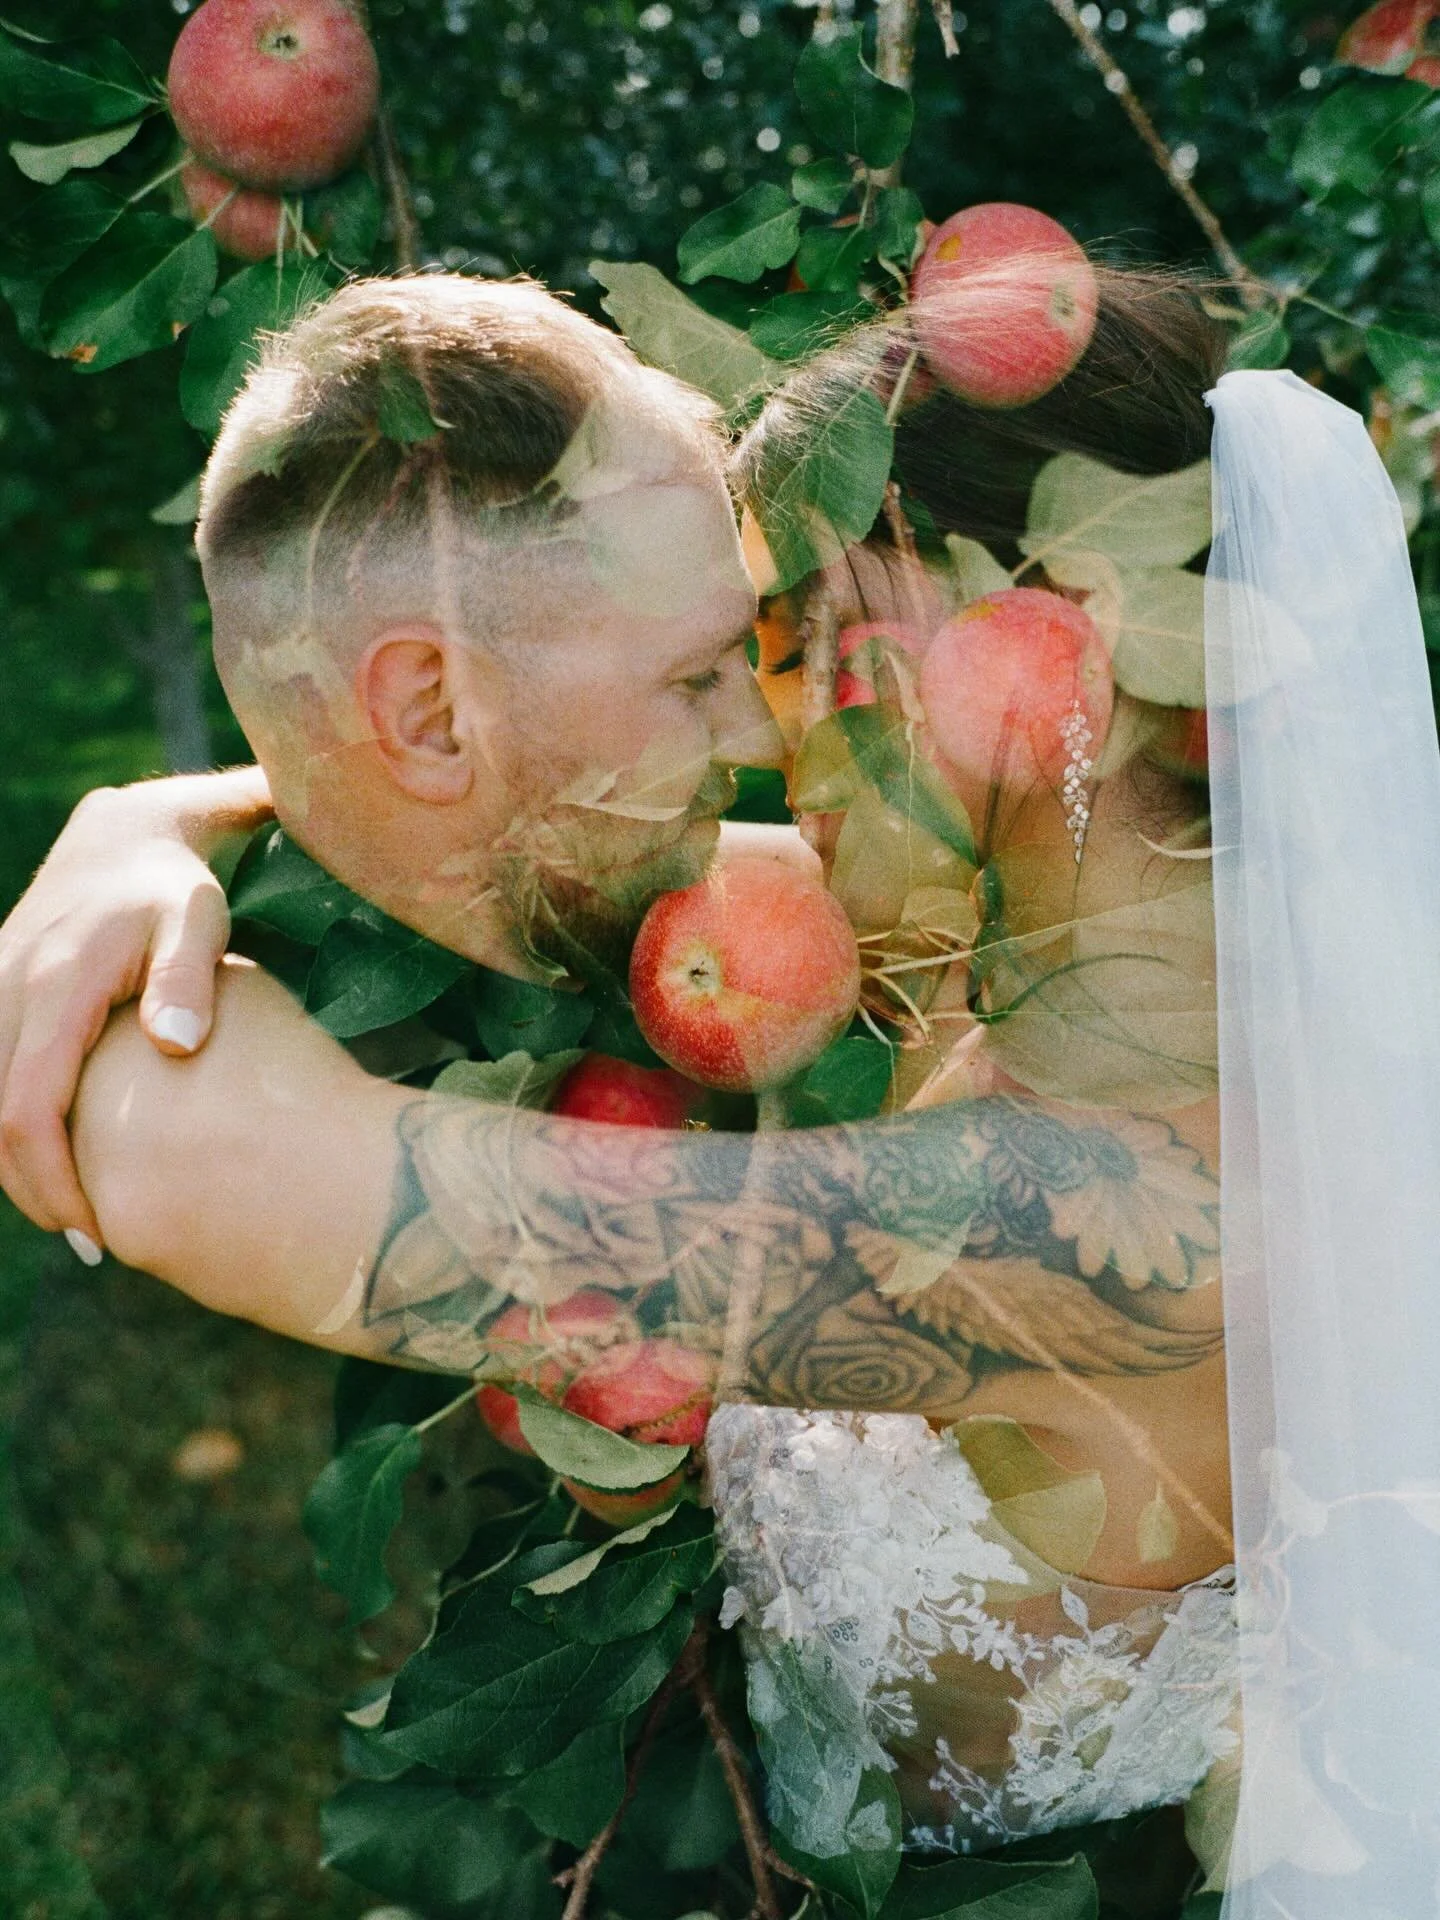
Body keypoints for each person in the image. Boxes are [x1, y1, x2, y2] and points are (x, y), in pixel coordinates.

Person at [17, 256, 1435, 1903]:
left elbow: (183, 1152)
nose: (769, 737)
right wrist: (146, 822)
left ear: (1061, 650)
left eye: (820, 649)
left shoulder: (1122, 1232)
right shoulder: (1021, 974)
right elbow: (546, 824)